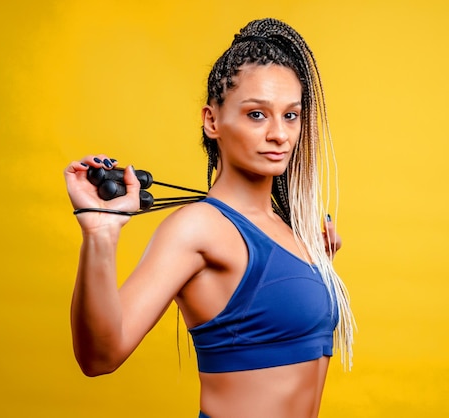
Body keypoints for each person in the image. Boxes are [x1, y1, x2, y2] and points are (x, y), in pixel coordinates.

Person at [64, 18, 354, 418]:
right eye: (257, 115)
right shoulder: (199, 227)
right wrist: (100, 233)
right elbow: (100, 356)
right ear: (212, 120)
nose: (280, 134)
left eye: (291, 116)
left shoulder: (288, 229)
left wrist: (313, 267)